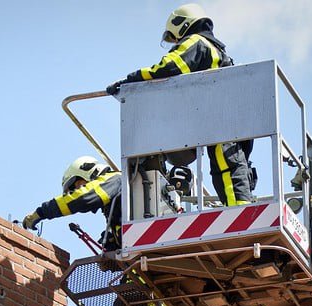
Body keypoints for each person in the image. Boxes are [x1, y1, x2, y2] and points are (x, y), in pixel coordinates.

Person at [106, 3, 254, 206]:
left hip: (220, 122)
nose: (176, 42)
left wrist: (129, 80)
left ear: (182, 25)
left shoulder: (197, 41)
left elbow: (169, 66)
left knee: (226, 168)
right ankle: (239, 208)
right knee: (229, 167)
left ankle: (240, 211)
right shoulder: (218, 51)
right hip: (228, 120)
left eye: (175, 38)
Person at [22, 156, 122, 250]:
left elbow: (82, 199)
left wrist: (42, 212)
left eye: (77, 187)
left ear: (89, 172)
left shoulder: (115, 178)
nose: (77, 191)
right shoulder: (115, 200)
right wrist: (115, 242)